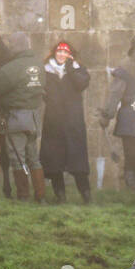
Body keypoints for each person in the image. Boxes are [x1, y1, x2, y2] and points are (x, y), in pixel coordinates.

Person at [98, 32, 135, 192]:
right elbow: (115, 93)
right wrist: (107, 114)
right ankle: (133, 193)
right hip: (130, 118)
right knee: (132, 156)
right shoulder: (125, 69)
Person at [0, 30, 45, 201]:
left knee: (17, 158)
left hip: (16, 118)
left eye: (11, 44)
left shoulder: (10, 69)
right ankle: (40, 197)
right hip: (34, 119)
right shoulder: (39, 64)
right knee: (33, 158)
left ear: (15, 47)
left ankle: (23, 196)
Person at [39, 41, 91, 203]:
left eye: (65, 52)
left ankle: (86, 195)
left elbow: (82, 84)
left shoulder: (77, 69)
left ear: (70, 54)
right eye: (59, 51)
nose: (61, 55)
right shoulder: (46, 70)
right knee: (54, 162)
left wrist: (70, 69)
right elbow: (41, 90)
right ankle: (60, 196)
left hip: (73, 123)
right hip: (54, 123)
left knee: (78, 162)